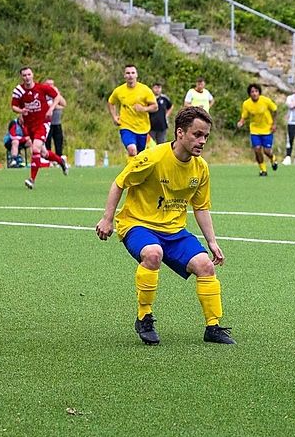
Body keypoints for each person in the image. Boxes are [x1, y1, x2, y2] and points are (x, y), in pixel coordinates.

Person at [94, 106, 235, 346]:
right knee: (153, 253)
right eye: (197, 135)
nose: (202, 141)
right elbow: (119, 183)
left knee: (205, 266)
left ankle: (213, 327)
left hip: (174, 231)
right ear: (180, 133)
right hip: (138, 224)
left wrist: (212, 241)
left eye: (206, 137)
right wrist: (107, 219)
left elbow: (200, 207)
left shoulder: (201, 168)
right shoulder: (152, 158)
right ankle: (144, 317)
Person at [11, 66, 69, 189]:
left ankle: (31, 179)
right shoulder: (19, 91)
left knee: (35, 149)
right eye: (24, 75)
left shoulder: (41, 88)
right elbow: (13, 106)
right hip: (29, 125)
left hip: (43, 123)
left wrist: (51, 109)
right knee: (43, 153)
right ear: (21, 77)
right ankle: (61, 161)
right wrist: (21, 110)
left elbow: (57, 97)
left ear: (32, 75)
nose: (27, 77)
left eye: (29, 75)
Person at [108, 64, 158, 159]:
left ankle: (134, 170)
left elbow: (155, 107)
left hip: (142, 127)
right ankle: (132, 171)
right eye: (128, 73)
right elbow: (111, 102)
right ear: (124, 76)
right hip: (126, 126)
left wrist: (144, 109)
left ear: (136, 75)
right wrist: (114, 116)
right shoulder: (119, 91)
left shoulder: (145, 90)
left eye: (132, 73)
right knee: (132, 150)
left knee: (139, 155)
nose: (130, 75)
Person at [236, 83, 279, 176]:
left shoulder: (265, 101)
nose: (254, 93)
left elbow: (275, 110)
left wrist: (274, 124)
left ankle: (273, 159)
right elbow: (244, 116)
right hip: (255, 130)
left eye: (256, 91)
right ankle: (263, 170)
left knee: (267, 151)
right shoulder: (246, 104)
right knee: (257, 150)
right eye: (252, 92)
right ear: (249, 94)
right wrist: (241, 122)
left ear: (259, 92)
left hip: (267, 129)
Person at [44, 79, 67, 161]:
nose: (51, 86)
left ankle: (59, 158)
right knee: (47, 141)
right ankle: (48, 159)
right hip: (47, 122)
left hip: (57, 122)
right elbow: (50, 106)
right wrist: (55, 106)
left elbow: (64, 104)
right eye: (49, 84)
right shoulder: (44, 95)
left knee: (59, 140)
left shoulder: (55, 94)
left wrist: (57, 94)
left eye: (52, 84)